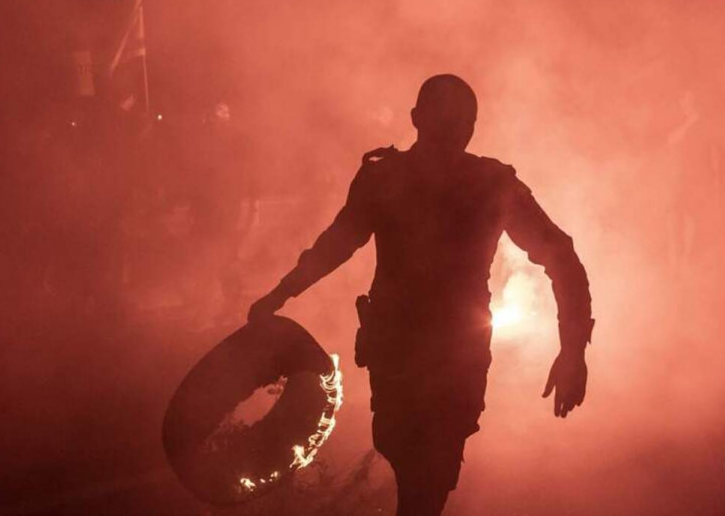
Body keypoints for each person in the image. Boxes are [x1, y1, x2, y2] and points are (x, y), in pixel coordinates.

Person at [248, 74, 594, 516]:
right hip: (431, 352)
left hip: (420, 351)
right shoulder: (480, 183)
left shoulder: (399, 178)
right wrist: (573, 350)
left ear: (417, 119)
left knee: (423, 476)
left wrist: (278, 295)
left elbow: (334, 247)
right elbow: (561, 256)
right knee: (424, 475)